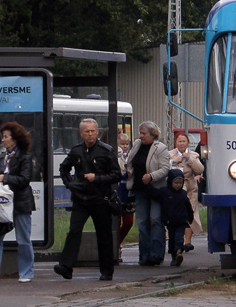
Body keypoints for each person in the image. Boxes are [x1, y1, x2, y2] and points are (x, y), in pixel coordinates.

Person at [54, 118, 119, 280]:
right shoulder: (76, 151)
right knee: (74, 231)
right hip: (80, 199)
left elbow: (116, 174)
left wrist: (97, 178)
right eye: (87, 132)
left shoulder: (106, 151)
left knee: (104, 235)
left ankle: (106, 271)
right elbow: (64, 167)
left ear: (97, 132)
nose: (90, 134)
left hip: (100, 198)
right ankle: (66, 266)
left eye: (93, 131)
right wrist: (69, 184)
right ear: (81, 133)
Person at [0, 122, 36, 284]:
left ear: (15, 139)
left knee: (23, 238)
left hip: (20, 202)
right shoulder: (2, 156)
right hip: (2, 202)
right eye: (3, 136)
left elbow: (24, 179)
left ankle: (26, 272)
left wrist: (5, 178)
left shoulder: (25, 156)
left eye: (6, 137)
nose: (3, 140)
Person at [124, 120, 171, 265]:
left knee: (155, 220)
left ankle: (156, 254)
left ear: (152, 135)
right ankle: (144, 255)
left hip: (155, 190)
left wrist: (151, 176)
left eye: (144, 133)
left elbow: (165, 169)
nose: (141, 136)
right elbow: (130, 161)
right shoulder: (137, 145)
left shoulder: (161, 148)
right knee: (142, 222)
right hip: (139, 190)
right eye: (140, 133)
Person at [145, 168, 193, 266]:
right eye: (176, 183)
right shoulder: (165, 192)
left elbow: (188, 206)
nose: (178, 185)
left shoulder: (183, 194)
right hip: (170, 221)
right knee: (171, 238)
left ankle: (179, 250)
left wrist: (190, 217)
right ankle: (174, 255)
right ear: (170, 181)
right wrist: (147, 185)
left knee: (178, 237)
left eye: (180, 183)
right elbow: (154, 194)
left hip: (181, 221)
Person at [169, 132, 204, 252]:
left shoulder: (194, 155)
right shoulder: (170, 154)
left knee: (189, 214)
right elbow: (166, 169)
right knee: (176, 214)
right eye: (179, 141)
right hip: (175, 190)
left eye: (184, 141)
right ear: (175, 143)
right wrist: (175, 161)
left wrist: (189, 159)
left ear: (188, 142)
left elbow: (200, 169)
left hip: (190, 189)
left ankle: (188, 242)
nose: (182, 143)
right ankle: (175, 240)